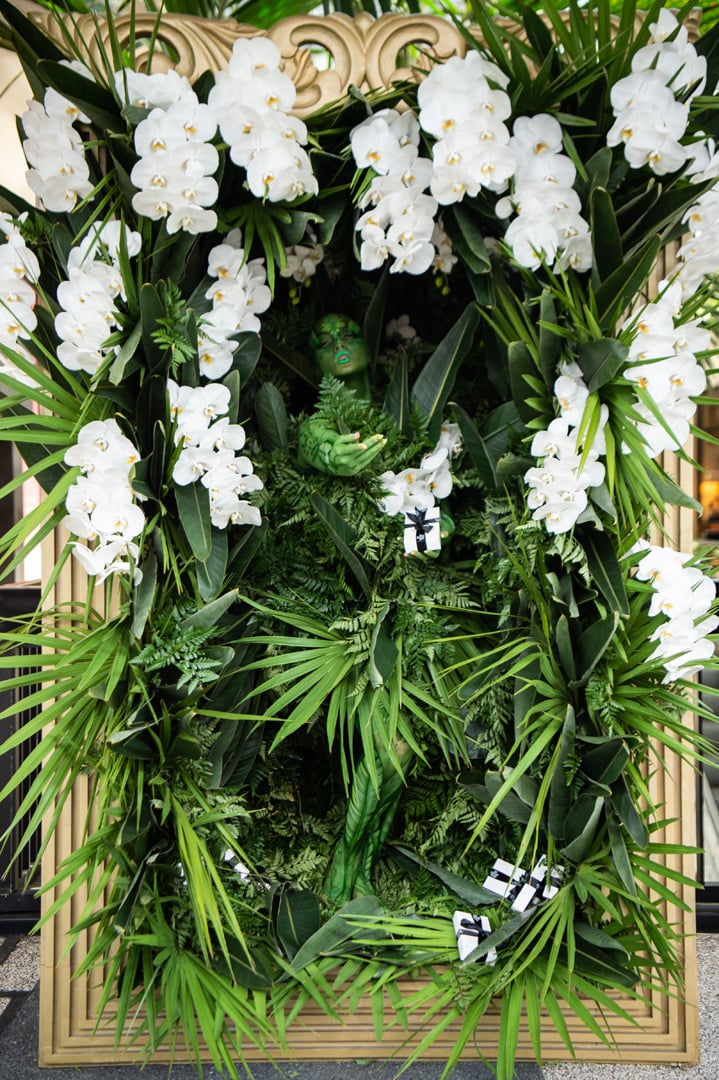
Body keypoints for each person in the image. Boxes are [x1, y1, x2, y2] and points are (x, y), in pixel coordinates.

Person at [297, 314, 386, 475]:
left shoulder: (395, 409)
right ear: (316, 365)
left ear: (368, 349)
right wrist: (331, 457)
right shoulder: (316, 425)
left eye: (349, 336)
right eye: (325, 343)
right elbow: (314, 437)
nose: (339, 345)